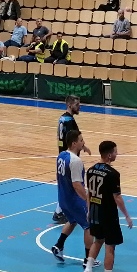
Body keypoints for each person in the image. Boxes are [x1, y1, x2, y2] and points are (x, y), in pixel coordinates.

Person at [85, 140, 134, 272]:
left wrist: (88, 210)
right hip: (108, 214)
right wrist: (127, 215)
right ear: (109, 155)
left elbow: (89, 193)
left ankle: (88, 269)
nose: (117, 154)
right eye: (115, 152)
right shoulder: (113, 174)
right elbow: (117, 197)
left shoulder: (90, 170)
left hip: (95, 212)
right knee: (110, 246)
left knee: (97, 240)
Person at [50, 130, 94, 272]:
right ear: (74, 143)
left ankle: (59, 245)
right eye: (81, 140)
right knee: (88, 226)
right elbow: (77, 185)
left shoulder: (61, 155)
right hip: (75, 199)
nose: (83, 142)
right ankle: (88, 260)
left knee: (72, 220)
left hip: (63, 198)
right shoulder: (76, 161)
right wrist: (87, 199)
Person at [52, 95, 91, 223]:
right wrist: (81, 147)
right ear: (69, 105)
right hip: (69, 157)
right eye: (77, 105)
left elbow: (61, 137)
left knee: (65, 185)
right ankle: (60, 212)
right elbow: (73, 138)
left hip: (62, 155)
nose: (79, 107)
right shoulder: (69, 121)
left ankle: (60, 211)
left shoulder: (62, 118)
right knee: (72, 185)